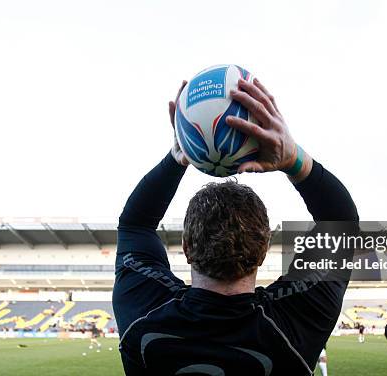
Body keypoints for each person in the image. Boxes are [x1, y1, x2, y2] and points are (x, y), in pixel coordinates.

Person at [113, 78, 359, 375]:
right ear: (264, 250)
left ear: (187, 248)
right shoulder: (294, 320)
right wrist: (293, 159)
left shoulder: (145, 312)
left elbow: (135, 225)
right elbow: (340, 222)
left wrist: (180, 153)